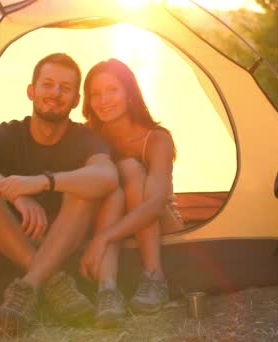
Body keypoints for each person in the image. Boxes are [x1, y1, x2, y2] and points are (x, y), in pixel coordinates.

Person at [0, 53, 118, 330]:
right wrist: (16, 194)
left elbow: (107, 177)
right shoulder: (7, 133)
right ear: (31, 91)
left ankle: (28, 286)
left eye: (65, 88)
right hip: (18, 234)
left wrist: (45, 182)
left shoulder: (86, 139)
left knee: (83, 189)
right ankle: (53, 281)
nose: (55, 93)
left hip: (66, 236)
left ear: (76, 100)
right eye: (48, 84)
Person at [78, 58, 184, 328]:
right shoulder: (87, 136)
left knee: (128, 169)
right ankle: (108, 291)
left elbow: (157, 204)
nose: (104, 100)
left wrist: (103, 237)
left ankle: (154, 276)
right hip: (114, 217)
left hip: (161, 222)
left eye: (112, 90)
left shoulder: (156, 138)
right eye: (96, 94)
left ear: (129, 94)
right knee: (111, 185)